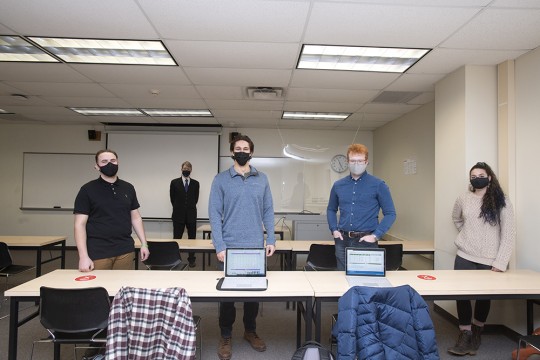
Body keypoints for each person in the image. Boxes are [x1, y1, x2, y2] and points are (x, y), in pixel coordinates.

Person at [209, 134, 276, 360]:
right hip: (229, 246)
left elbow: (268, 210)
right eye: (237, 148)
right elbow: (214, 214)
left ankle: (250, 331)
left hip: (255, 246)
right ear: (232, 152)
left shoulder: (262, 178)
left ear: (251, 152)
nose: (241, 151)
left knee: (252, 296)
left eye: (245, 148)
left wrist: (272, 239)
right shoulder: (220, 180)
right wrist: (219, 245)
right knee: (227, 297)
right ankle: (225, 335)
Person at [447, 162, 515, 356]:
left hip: (490, 258)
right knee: (461, 295)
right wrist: (466, 234)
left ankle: (477, 331)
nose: (477, 178)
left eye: (481, 175)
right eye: (474, 176)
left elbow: (508, 233)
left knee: (484, 297)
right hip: (464, 255)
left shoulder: (502, 200)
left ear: (489, 177)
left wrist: (500, 262)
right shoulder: (463, 198)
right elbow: (456, 218)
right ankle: (465, 334)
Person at [74, 149, 150, 272]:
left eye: (113, 160)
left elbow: (135, 217)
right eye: (104, 161)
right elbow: (79, 225)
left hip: (125, 250)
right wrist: (83, 256)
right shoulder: (87, 190)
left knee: (122, 288)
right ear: (97, 166)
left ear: (118, 162)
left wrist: (144, 244)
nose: (109, 164)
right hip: (98, 251)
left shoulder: (128, 188)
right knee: (98, 289)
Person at [327, 143, 396, 270]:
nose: (356, 164)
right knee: (341, 280)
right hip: (342, 240)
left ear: (366, 162)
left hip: (366, 241)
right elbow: (331, 209)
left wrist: (376, 235)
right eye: (353, 160)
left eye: (360, 161)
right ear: (347, 162)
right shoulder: (338, 185)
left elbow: (390, 213)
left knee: (365, 282)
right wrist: (334, 230)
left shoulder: (378, 185)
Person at [170, 161, 200, 267]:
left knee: (192, 239)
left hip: (191, 215)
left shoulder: (196, 183)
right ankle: (175, 259)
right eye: (184, 168)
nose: (186, 170)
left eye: (188, 168)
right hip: (178, 216)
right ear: (181, 169)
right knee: (176, 238)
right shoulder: (174, 182)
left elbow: (195, 199)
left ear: (191, 170)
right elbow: (172, 199)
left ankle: (191, 259)